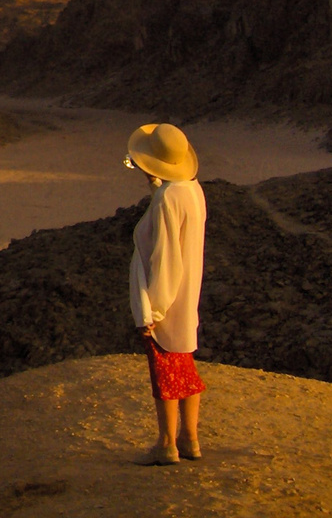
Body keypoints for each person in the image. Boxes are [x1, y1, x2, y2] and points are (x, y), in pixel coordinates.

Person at [125, 122, 208, 465]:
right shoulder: (192, 190)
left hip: (165, 301)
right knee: (185, 369)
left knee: (166, 374)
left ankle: (166, 444)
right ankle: (190, 440)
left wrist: (152, 312)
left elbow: (165, 258)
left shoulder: (167, 199)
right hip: (186, 298)